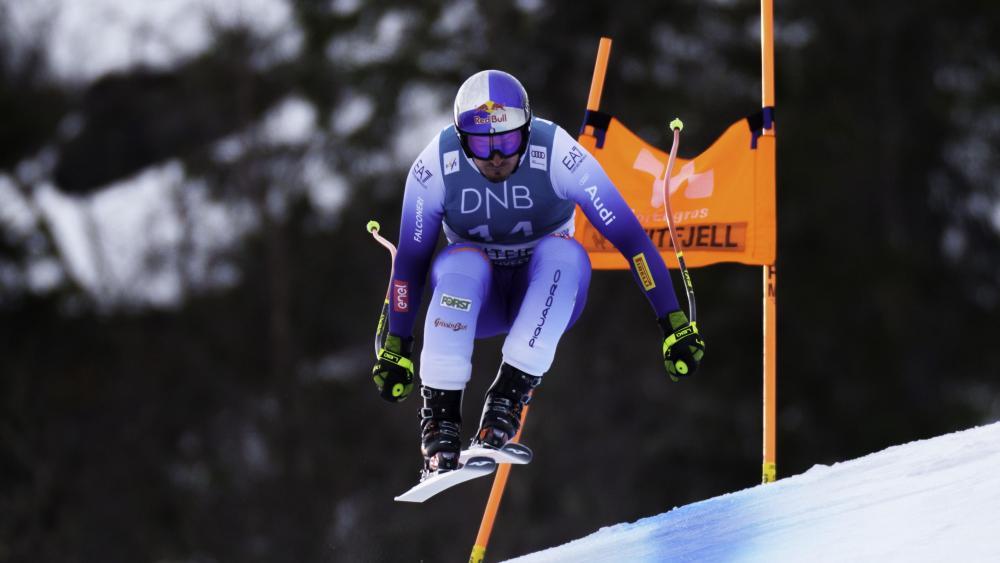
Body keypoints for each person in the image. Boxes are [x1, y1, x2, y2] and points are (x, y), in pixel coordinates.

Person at [371, 70, 705, 476]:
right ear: (462, 139)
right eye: (481, 144)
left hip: (546, 290)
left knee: (565, 253)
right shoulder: (435, 165)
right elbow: (410, 263)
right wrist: (397, 344)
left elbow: (630, 238)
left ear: (527, 130)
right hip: (479, 300)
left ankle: (506, 401)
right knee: (460, 261)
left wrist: (672, 320)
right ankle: (439, 425)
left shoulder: (558, 151)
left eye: (508, 141)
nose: (496, 157)